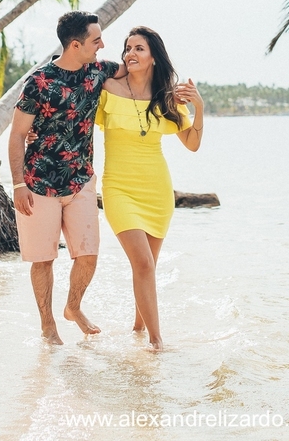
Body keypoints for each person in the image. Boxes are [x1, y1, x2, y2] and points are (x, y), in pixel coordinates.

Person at [8, 11, 122, 345]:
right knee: (43, 259)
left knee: (88, 255)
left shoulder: (98, 70)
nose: (102, 45)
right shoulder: (40, 81)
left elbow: (135, 71)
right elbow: (17, 136)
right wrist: (17, 185)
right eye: (96, 40)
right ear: (75, 45)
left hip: (81, 180)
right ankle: (48, 325)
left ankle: (73, 308)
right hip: (38, 183)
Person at [96, 26, 204, 352]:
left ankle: (138, 331)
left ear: (154, 56)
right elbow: (77, 122)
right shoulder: (108, 88)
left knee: (148, 268)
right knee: (142, 264)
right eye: (127, 48)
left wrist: (199, 107)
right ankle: (157, 344)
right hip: (118, 188)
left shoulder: (167, 98)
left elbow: (193, 144)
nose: (130, 54)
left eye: (139, 48)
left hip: (157, 191)